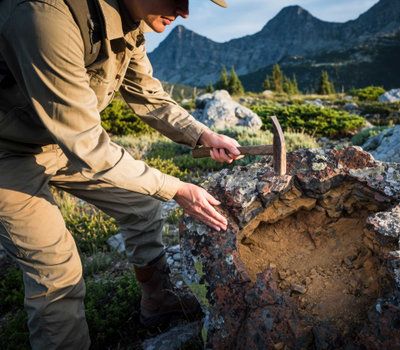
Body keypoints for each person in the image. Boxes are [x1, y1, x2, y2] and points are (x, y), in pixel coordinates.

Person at [0, 0, 238, 348]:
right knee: (57, 271)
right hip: (8, 151)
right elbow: (88, 146)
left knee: (141, 204)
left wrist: (202, 135)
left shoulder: (130, 22)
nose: (185, 11)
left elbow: (148, 94)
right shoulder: (45, 15)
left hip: (59, 139)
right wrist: (176, 189)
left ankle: (157, 302)